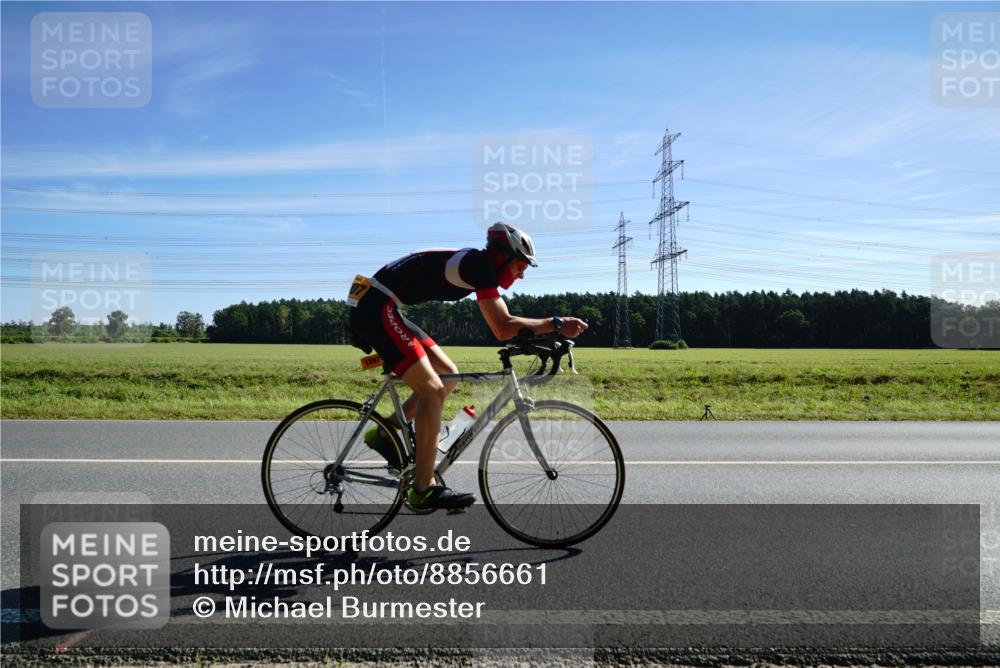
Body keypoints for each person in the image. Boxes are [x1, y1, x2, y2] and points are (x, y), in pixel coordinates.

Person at [347, 222, 588, 510]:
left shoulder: (477, 263)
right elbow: (502, 327)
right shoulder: (479, 265)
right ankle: (423, 489)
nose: (522, 274)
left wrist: (543, 334)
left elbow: (506, 324)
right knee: (432, 390)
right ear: (503, 257)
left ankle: (384, 433)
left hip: (381, 303)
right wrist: (557, 324)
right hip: (375, 307)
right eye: (521, 266)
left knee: (448, 377)